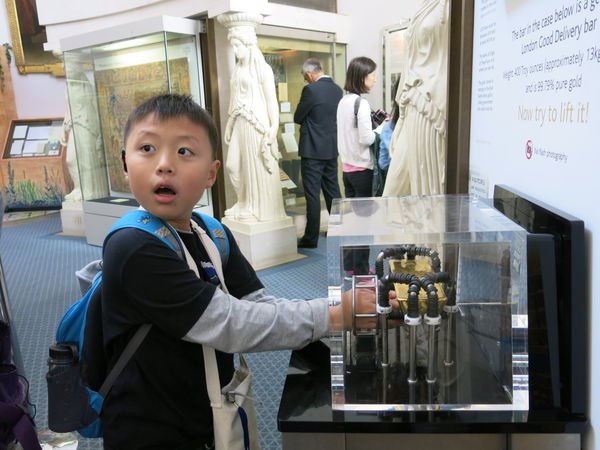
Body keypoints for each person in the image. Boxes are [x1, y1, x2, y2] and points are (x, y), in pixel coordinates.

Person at [102, 94, 395, 449]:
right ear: (124, 162)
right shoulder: (132, 248)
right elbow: (230, 324)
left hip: (208, 411)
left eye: (184, 152)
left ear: (212, 172)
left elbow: (257, 304)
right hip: (149, 427)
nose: (164, 165)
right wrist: (335, 314)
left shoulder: (211, 231)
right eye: (147, 148)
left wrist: (347, 308)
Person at [382, 0, 449, 197]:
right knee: (391, 195)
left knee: (429, 196)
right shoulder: (423, 7)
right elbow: (408, 67)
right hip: (412, 104)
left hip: (433, 104)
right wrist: (401, 119)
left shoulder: (450, 6)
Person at [222, 24, 286, 222]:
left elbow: (271, 101)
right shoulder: (237, 71)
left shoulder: (263, 70)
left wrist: (274, 127)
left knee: (254, 166)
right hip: (240, 122)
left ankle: (254, 206)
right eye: (233, 46)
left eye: (237, 45)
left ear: (248, 45)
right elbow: (235, 100)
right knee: (232, 165)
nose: (235, 50)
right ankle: (243, 201)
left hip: (256, 124)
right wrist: (230, 124)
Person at [294, 58, 343, 248]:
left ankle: (310, 238)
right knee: (333, 192)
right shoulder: (337, 90)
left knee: (312, 194)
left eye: (305, 77)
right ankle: (338, 231)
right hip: (331, 148)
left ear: (309, 74)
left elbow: (298, 117)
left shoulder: (310, 90)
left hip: (312, 150)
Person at [337, 57, 378, 275]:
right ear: (362, 77)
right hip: (363, 171)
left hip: (347, 170)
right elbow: (367, 139)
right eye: (372, 76)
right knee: (364, 224)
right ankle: (362, 269)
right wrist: (381, 130)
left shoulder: (343, 102)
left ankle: (350, 265)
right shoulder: (361, 104)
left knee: (352, 221)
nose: (374, 80)